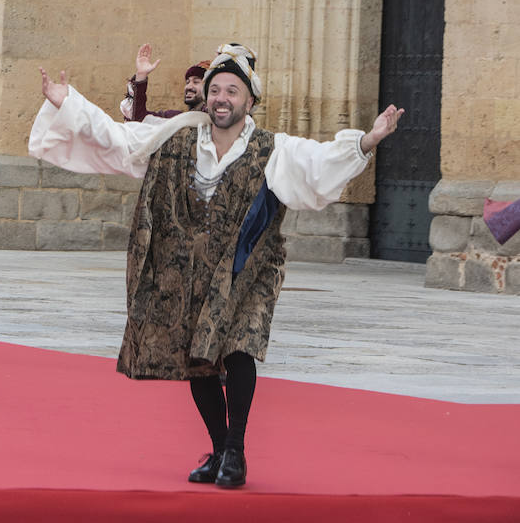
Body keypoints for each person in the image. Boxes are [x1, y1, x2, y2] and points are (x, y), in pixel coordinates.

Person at [29, 44, 403, 490]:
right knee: (199, 359)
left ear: (249, 100)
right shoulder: (178, 134)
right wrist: (66, 102)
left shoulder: (274, 148)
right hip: (189, 271)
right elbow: (118, 138)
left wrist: (368, 140)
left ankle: (236, 451)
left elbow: (318, 163)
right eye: (216, 90)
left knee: (239, 346)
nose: (222, 98)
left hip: (248, 267)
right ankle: (221, 448)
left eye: (232, 90)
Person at [120, 43, 208, 121]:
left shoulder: (216, 118)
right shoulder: (175, 118)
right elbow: (140, 119)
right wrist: (141, 76)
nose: (188, 87)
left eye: (196, 82)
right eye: (187, 82)